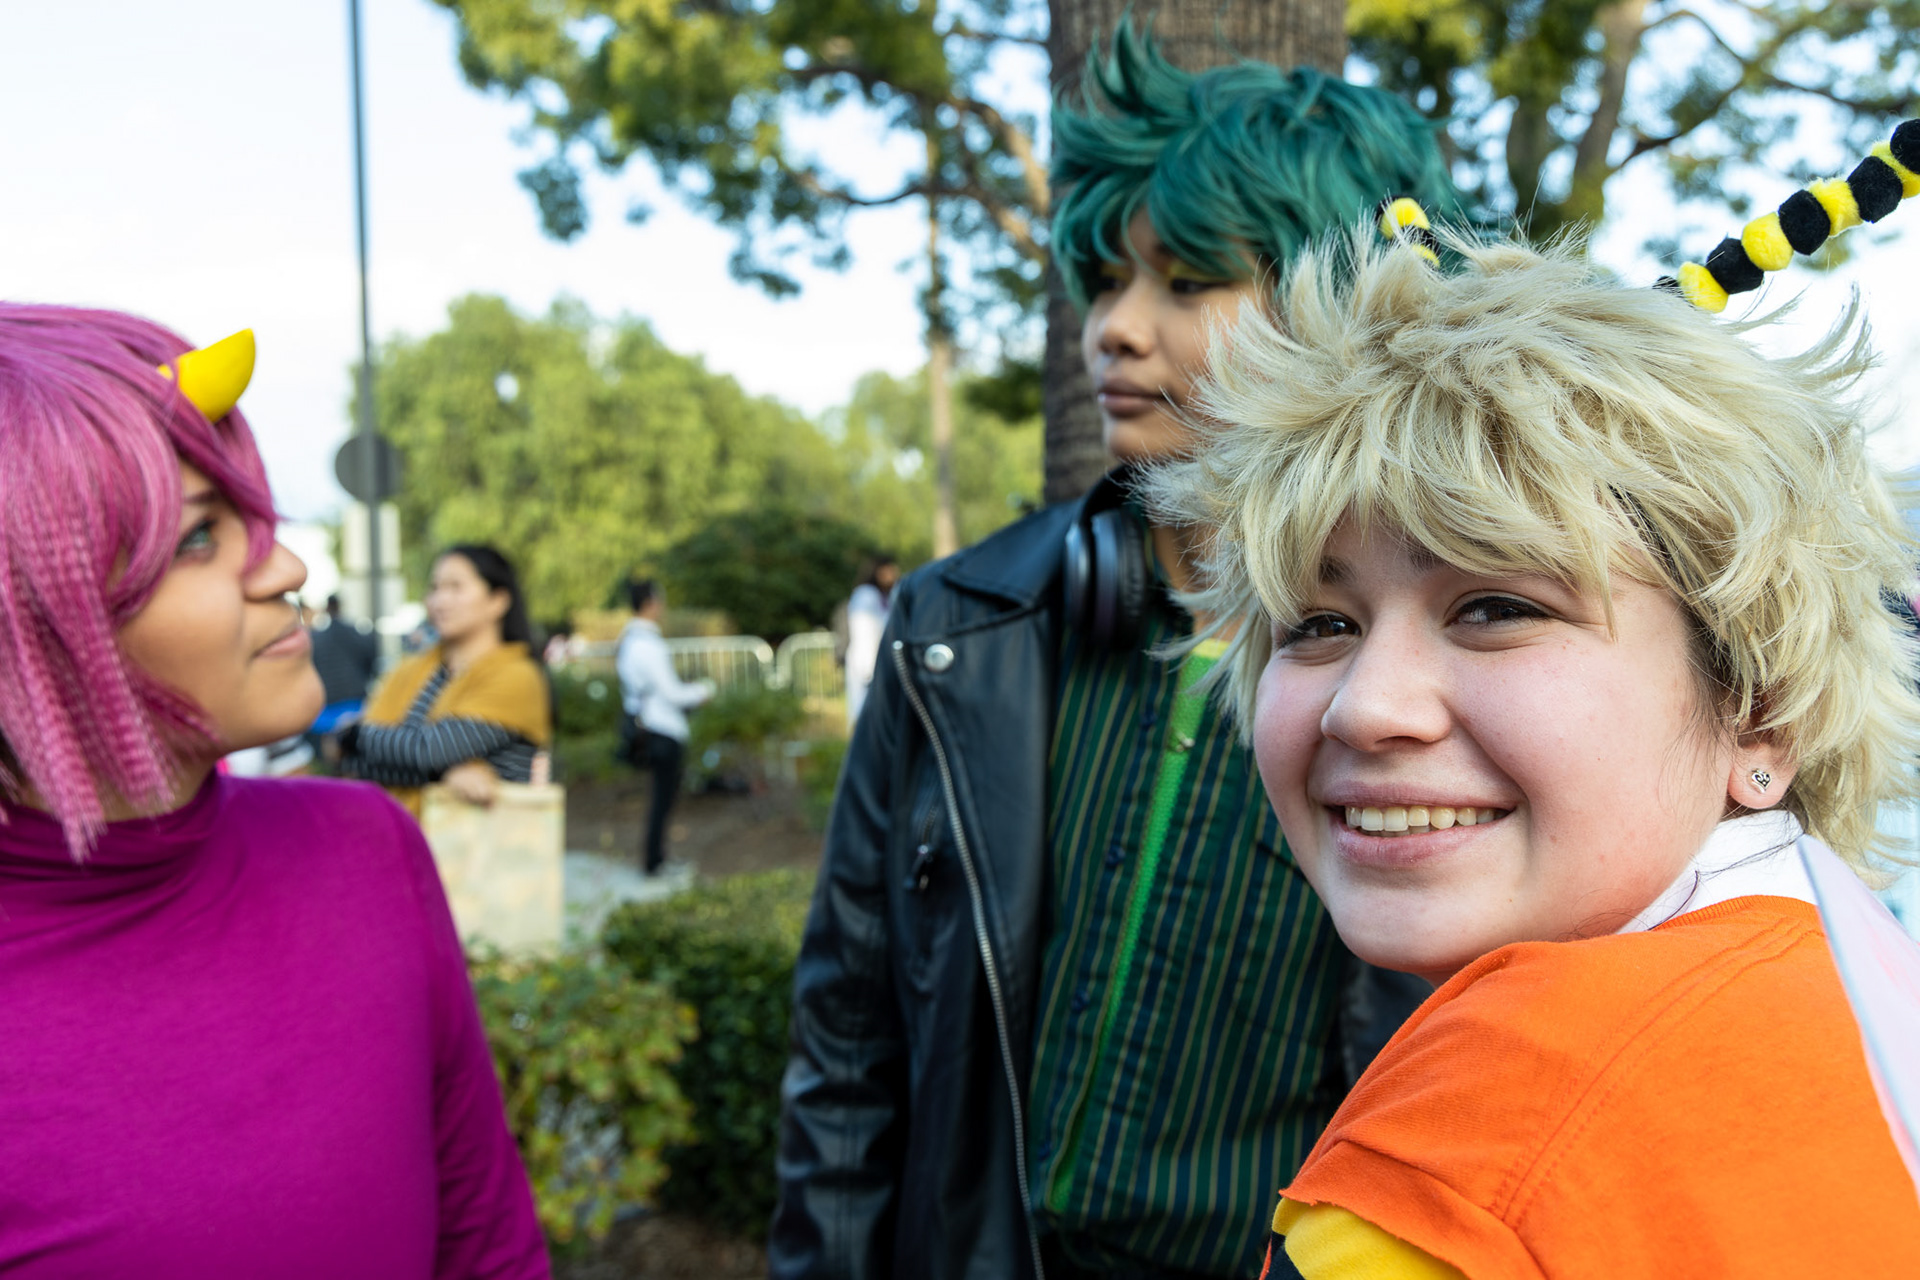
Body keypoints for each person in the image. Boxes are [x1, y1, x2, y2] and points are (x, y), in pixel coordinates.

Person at [771, 24, 1468, 1280]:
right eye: (1104, 280)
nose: (1115, 328)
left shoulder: (1459, 687)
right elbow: (849, 1038)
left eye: (1187, 282)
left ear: (1358, 308)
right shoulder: (959, 625)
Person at [1147, 232, 1920, 1277]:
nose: (1365, 708)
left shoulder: (1475, 1144)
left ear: (1759, 713)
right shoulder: (1866, 991)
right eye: (1319, 624)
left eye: (1497, 607)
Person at [0, 307, 547, 1276]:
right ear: (28, 611)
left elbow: (488, 1241)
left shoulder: (367, 850)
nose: (287, 568)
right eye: (198, 537)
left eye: (252, 519)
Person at [340, 545, 552, 814]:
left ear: (498, 601)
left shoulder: (518, 677)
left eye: (455, 587)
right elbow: (353, 765)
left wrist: (351, 736)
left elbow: (429, 750)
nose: (439, 601)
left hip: (481, 835)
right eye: (435, 588)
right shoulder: (409, 670)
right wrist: (444, 775)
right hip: (395, 828)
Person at [616, 578, 713, 876]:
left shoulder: (629, 641)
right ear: (650, 604)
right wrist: (703, 690)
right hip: (662, 729)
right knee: (662, 799)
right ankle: (655, 861)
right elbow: (672, 693)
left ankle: (656, 858)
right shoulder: (648, 644)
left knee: (660, 798)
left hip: (647, 726)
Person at [308, 592, 380, 734]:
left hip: (328, 703)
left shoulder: (317, 639)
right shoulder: (356, 634)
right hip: (356, 700)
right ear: (340, 607)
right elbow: (371, 660)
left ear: (327, 609)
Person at [843, 554, 899, 728]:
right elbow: (864, 633)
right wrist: (870, 668)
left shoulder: (886, 596)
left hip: (880, 664)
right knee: (866, 718)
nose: (894, 574)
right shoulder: (866, 595)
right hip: (867, 665)